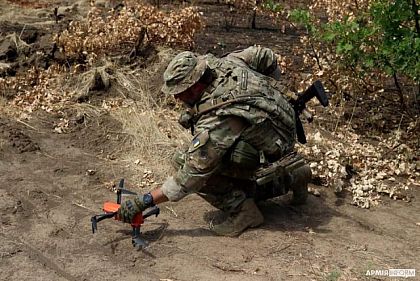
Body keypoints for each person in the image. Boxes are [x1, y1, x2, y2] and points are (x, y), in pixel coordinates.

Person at [118, 46, 312, 237]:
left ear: (196, 85)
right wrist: (274, 97)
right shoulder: (224, 64)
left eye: (181, 92)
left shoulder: (221, 118)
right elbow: (265, 55)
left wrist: (144, 201)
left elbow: (191, 176)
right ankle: (297, 173)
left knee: (182, 160)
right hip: (284, 126)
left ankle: (246, 210)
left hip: (274, 146)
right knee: (226, 152)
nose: (177, 97)